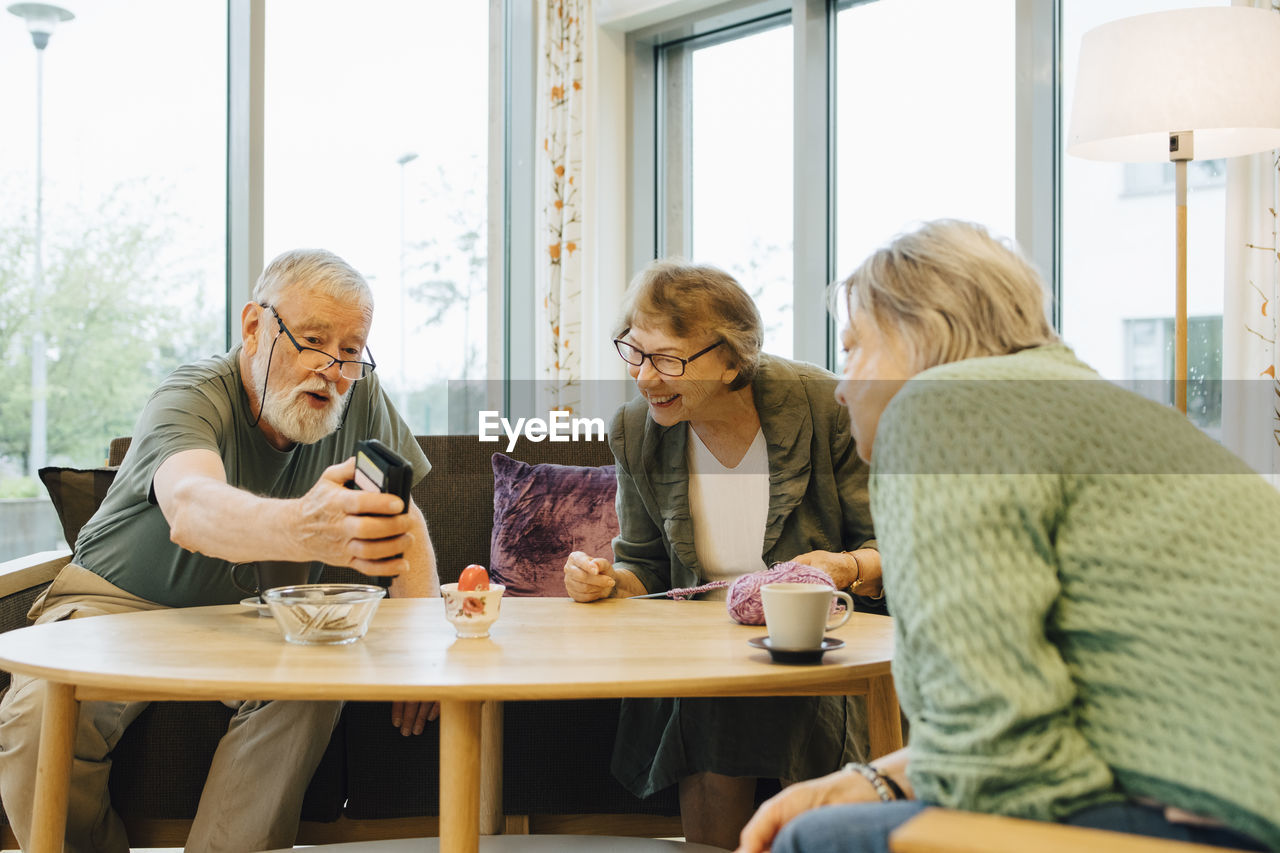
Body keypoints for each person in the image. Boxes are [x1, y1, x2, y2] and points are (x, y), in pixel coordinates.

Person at [736, 220, 1280, 853]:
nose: (841, 385)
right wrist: (879, 779)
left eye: (855, 348)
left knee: (810, 841)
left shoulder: (944, 407)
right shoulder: (1093, 406)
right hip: (1232, 795)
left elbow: (1000, 757)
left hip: (1218, 820)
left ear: (922, 332)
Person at [0, 249, 441, 853]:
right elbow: (190, 505)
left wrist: (421, 653)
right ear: (255, 327)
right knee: (34, 717)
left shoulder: (359, 395)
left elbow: (404, 518)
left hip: (258, 619)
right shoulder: (191, 393)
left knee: (315, 683)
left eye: (350, 349)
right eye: (313, 339)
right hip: (116, 606)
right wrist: (304, 528)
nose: (332, 369)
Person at [562, 259, 883, 849]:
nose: (644, 378)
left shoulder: (825, 406)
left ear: (733, 358)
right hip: (703, 646)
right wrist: (605, 581)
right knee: (710, 695)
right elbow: (646, 571)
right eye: (634, 352)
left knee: (806, 703)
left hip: (823, 637)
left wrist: (844, 567)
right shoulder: (636, 429)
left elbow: (886, 546)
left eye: (668, 360)